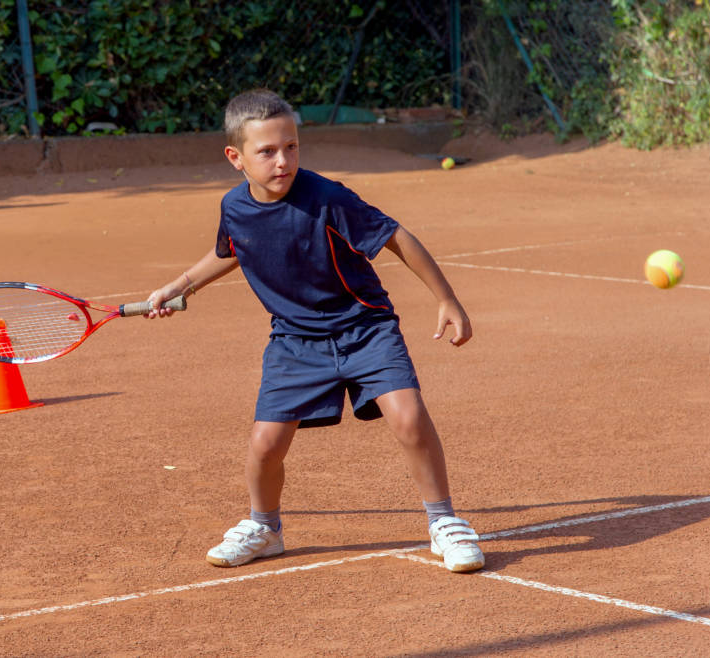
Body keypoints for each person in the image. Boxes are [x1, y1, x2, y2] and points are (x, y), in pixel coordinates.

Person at [145, 89, 484, 573]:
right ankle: (265, 528)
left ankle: (444, 522)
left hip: (364, 327)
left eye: (291, 147)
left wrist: (447, 299)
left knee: (409, 418)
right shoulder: (234, 207)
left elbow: (396, 236)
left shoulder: (327, 197)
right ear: (235, 158)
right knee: (265, 445)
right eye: (267, 151)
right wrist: (179, 287)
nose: (283, 161)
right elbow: (231, 249)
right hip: (294, 340)